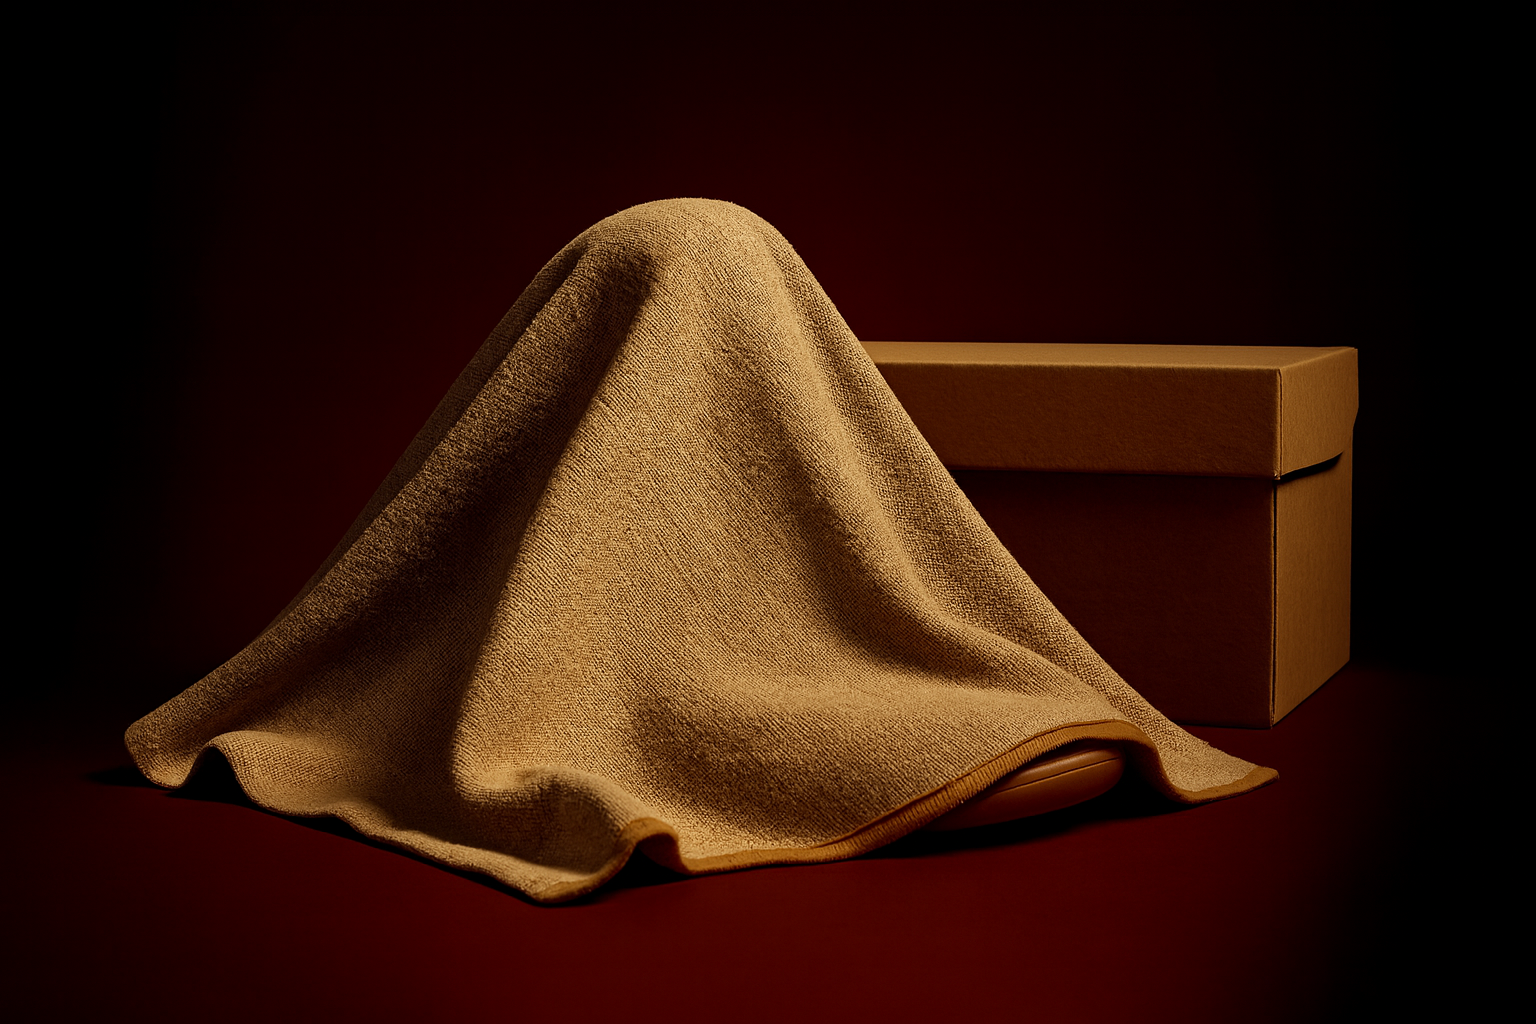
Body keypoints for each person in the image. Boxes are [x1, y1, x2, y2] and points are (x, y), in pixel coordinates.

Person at [126, 198, 1273, 904]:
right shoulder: (530, 517)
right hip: (679, 693)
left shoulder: (803, 430)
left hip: (829, 669)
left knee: (998, 717)